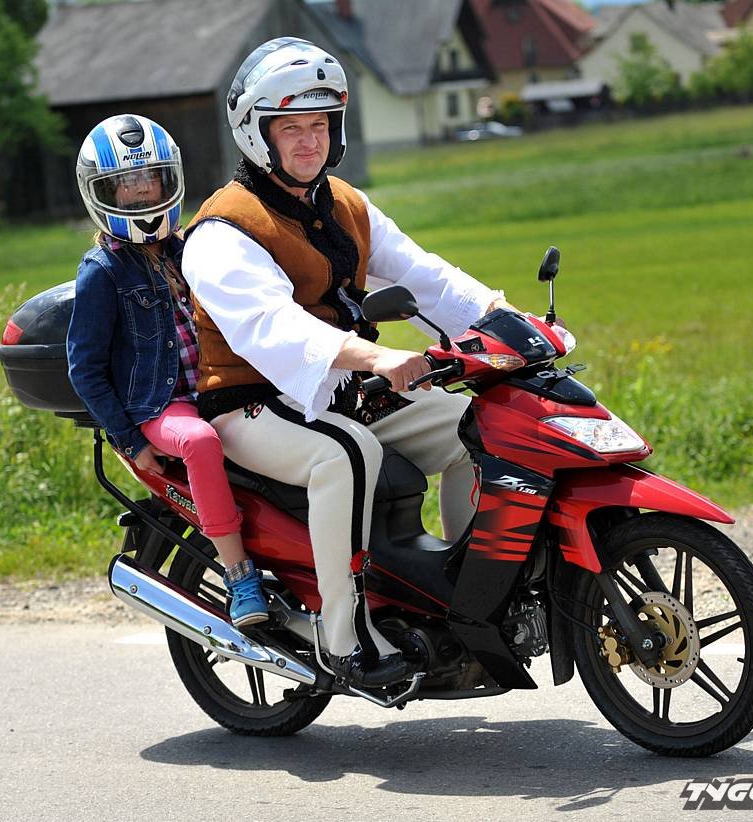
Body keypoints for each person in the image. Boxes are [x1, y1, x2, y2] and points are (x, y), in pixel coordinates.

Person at [181, 38, 512, 687]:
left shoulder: (345, 205)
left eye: (321, 124)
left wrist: (508, 321)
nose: (310, 141)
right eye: (291, 128)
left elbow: (424, 277)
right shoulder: (224, 230)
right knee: (346, 456)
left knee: (479, 428)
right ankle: (344, 637)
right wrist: (376, 355)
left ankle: (467, 601)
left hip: (341, 390)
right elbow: (275, 329)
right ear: (256, 134)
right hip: (250, 405)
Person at [66, 114, 270, 629]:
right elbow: (85, 368)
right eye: (126, 182)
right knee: (199, 443)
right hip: (162, 405)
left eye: (150, 178)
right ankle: (240, 574)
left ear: (169, 180)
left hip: (219, 386)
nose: (141, 191)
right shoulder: (103, 270)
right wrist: (130, 440)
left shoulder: (193, 247)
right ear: (101, 192)